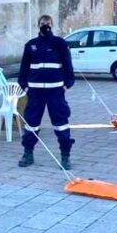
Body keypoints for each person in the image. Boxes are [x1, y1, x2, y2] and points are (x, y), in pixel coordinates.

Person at [17, 15, 75, 169]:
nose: (45, 26)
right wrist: (24, 85)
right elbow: (23, 69)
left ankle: (65, 155)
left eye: (48, 23)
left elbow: (68, 65)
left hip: (55, 90)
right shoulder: (31, 45)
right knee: (31, 122)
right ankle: (28, 153)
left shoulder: (60, 43)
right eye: (43, 24)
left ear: (52, 25)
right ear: (38, 25)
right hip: (35, 91)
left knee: (61, 122)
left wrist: (67, 84)